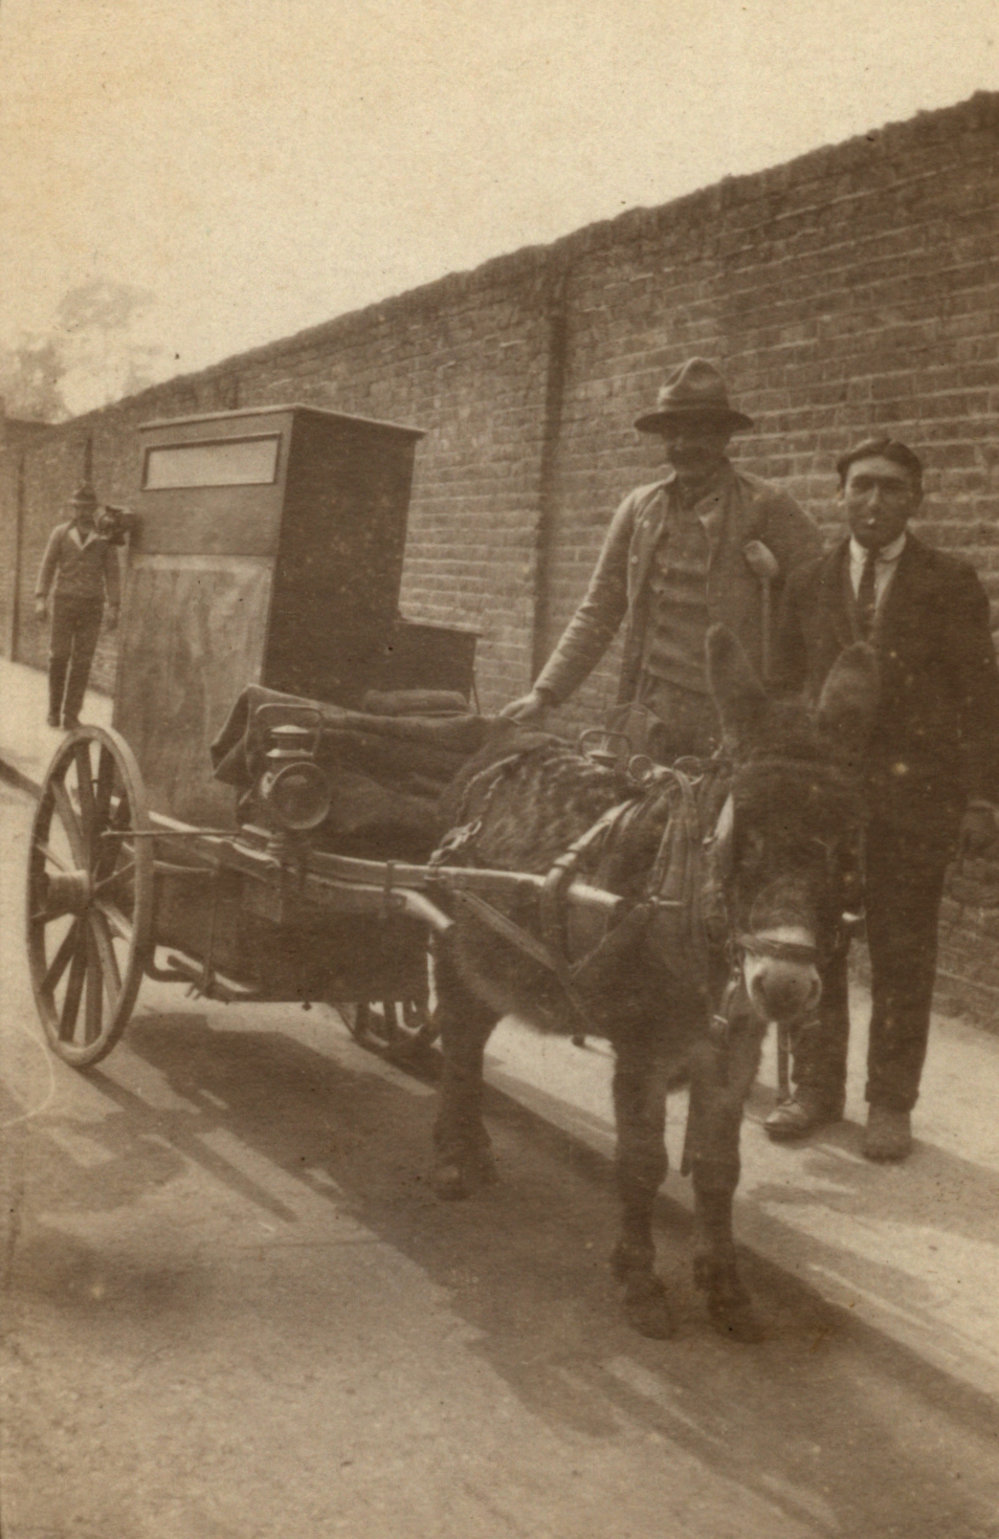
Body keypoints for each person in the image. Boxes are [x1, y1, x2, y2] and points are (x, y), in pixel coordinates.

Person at [766, 437, 999, 1160]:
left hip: (914, 800)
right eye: (860, 486)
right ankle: (814, 1089)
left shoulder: (950, 581)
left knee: (903, 951)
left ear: (915, 499)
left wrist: (982, 801)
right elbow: (781, 690)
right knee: (816, 943)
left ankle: (889, 1103)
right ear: (839, 495)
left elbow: (980, 700)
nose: (873, 501)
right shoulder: (805, 581)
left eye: (890, 488)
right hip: (823, 805)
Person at [501, 357, 823, 757]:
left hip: (732, 714)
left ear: (725, 436)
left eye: (699, 431)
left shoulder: (769, 505)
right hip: (651, 705)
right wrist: (545, 693)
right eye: (673, 433)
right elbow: (600, 609)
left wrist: (776, 581)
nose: (684, 446)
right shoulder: (640, 508)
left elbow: (820, 602)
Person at [34, 482, 121, 729]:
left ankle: (71, 714)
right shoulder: (60, 533)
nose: (83, 513)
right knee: (58, 657)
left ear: (94, 509)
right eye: (79, 508)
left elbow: (112, 573)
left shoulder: (105, 537)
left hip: (92, 606)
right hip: (64, 603)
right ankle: (53, 710)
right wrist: (41, 598)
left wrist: (114, 605)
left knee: (83, 661)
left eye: (88, 508)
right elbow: (47, 566)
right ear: (73, 509)